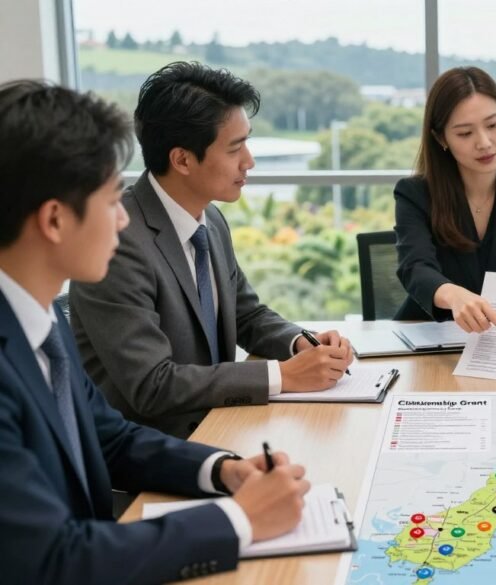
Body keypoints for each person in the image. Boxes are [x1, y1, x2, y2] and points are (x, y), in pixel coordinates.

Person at [0, 80, 310, 584]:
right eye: (108, 200)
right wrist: (240, 520)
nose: (123, 217)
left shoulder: (39, 323)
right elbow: (53, 559)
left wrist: (223, 470)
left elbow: (112, 440)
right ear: (55, 220)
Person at [70, 62, 354, 439]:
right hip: (154, 457)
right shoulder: (117, 242)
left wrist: (301, 341)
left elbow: (246, 315)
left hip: (221, 428)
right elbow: (152, 385)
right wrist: (283, 375)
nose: (249, 161)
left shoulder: (211, 219)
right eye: (235, 148)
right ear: (182, 159)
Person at [394, 66, 496, 333]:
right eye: (465, 133)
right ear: (440, 138)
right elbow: (415, 267)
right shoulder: (415, 193)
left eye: (492, 125)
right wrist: (453, 295)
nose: (484, 143)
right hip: (430, 334)